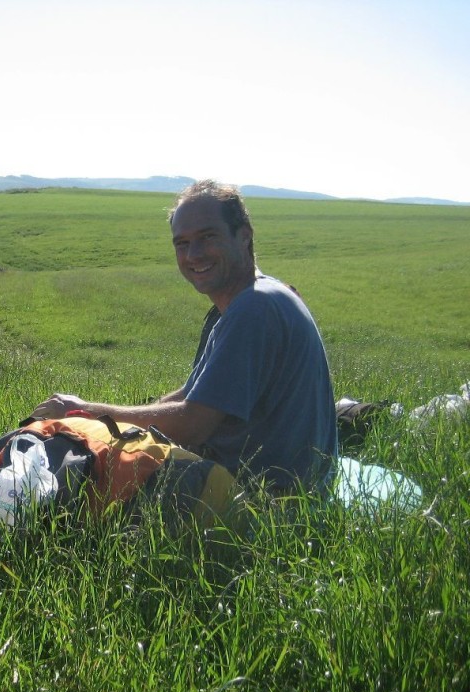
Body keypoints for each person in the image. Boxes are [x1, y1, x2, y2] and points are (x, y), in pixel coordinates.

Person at [33, 179, 338, 495]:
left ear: (244, 235)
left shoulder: (254, 306)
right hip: (288, 488)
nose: (193, 254)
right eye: (182, 243)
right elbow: (192, 394)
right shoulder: (255, 298)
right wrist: (116, 417)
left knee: (79, 487)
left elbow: (193, 423)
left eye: (207, 237)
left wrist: (85, 412)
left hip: (269, 504)